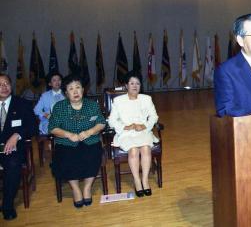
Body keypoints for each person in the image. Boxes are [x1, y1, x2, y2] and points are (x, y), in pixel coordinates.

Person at [49, 75, 106, 208]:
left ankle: (87, 187)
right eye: (71, 89)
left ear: (83, 90)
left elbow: (101, 123)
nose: (75, 92)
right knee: (66, 158)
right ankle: (75, 189)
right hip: (66, 142)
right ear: (66, 93)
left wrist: (89, 132)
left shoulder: (92, 105)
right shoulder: (59, 107)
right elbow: (52, 128)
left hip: (90, 140)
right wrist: (68, 134)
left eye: (78, 88)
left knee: (93, 155)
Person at [108, 71, 159, 197]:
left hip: (143, 131)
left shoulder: (146, 99)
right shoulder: (118, 101)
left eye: (137, 83)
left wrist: (145, 126)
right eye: (131, 83)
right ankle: (137, 180)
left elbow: (154, 116)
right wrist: (125, 127)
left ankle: (145, 180)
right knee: (134, 150)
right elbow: (112, 120)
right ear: (126, 85)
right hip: (126, 133)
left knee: (146, 148)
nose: (135, 86)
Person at [0, 74, 36, 221]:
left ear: (11, 86)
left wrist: (17, 135)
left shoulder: (22, 104)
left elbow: (33, 127)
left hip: (13, 149)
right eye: (0, 84)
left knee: (13, 164)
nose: (4, 87)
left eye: (6, 83)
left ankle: (7, 205)